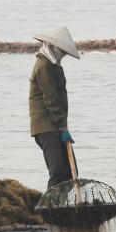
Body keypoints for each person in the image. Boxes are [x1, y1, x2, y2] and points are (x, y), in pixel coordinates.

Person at [29, 26, 81, 190]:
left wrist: (62, 127)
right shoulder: (44, 66)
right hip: (45, 127)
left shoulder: (53, 64)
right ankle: (49, 209)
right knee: (58, 171)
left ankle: (64, 208)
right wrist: (63, 127)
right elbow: (50, 100)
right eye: (62, 50)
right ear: (51, 46)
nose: (64, 53)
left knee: (71, 174)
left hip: (56, 125)